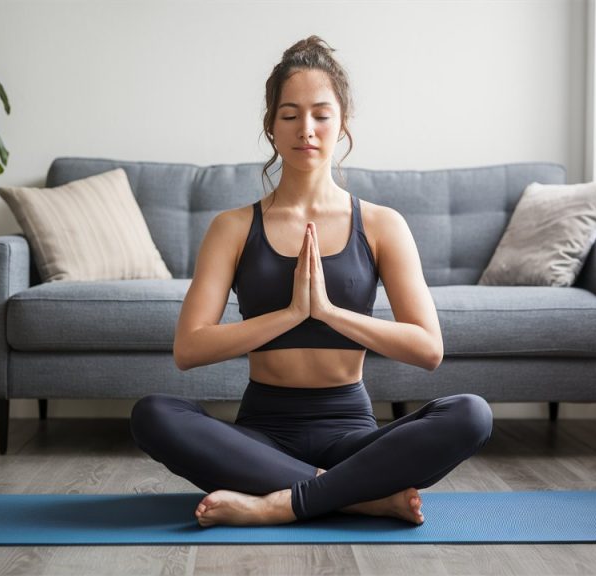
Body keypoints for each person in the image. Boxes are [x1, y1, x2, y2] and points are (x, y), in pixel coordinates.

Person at [130, 35, 492, 527]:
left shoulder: (382, 225)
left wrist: (327, 312)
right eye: (290, 114)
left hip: (352, 435)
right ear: (271, 127)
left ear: (342, 124)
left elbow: (428, 348)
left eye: (321, 114)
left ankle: (281, 501)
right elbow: (188, 348)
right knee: (152, 414)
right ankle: (356, 497)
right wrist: (290, 315)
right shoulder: (232, 228)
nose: (307, 129)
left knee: (471, 414)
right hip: (261, 434)